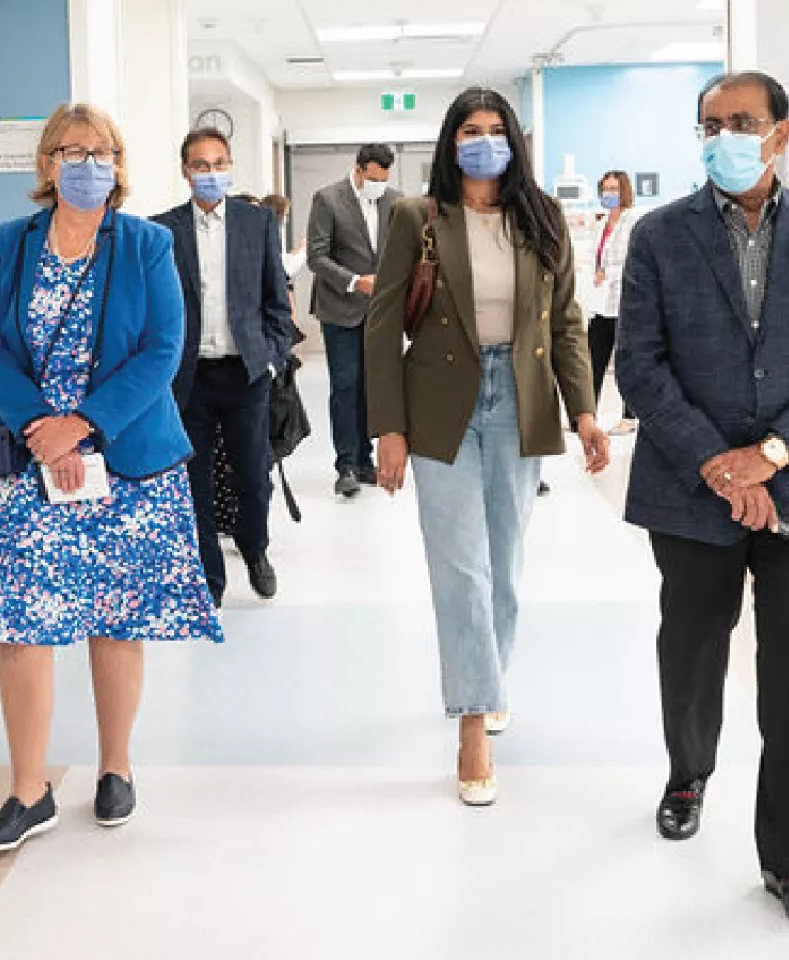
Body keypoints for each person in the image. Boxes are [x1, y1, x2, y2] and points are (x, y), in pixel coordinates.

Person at [615, 72, 789, 934]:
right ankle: (688, 773)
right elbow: (639, 366)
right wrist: (721, 469)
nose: (725, 135)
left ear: (779, 133)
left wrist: (766, 458)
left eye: (742, 122)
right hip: (690, 492)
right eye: (710, 124)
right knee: (691, 648)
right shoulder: (658, 237)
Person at [0, 103, 225, 855]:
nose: (89, 162)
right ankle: (28, 790)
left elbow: (161, 348)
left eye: (103, 150)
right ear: (46, 164)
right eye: (72, 150)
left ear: (120, 163)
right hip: (32, 463)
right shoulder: (10, 245)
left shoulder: (146, 244)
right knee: (21, 623)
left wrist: (81, 425)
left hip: (126, 462)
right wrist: (38, 429)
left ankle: (115, 767)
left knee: (115, 619)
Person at [367, 88, 610, 807]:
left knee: (504, 565)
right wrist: (388, 428)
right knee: (461, 568)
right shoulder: (420, 218)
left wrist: (587, 412)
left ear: (514, 141)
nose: (482, 142)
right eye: (470, 130)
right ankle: (472, 722)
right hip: (440, 402)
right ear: (451, 141)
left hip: (520, 399)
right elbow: (383, 328)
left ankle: (489, 676)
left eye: (495, 130)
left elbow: (565, 321)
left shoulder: (542, 217)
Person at [152, 128, 293, 606]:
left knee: (253, 473)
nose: (211, 173)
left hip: (245, 370)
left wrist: (272, 356)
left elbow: (276, 298)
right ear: (185, 172)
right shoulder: (163, 230)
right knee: (195, 480)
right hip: (187, 375)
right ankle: (209, 575)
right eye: (201, 165)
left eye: (219, 163)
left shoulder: (257, 223)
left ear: (230, 166)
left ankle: (255, 550)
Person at [308, 144, 403, 498]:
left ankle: (366, 460)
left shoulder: (395, 201)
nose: (379, 185)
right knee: (346, 385)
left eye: (384, 179)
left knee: (373, 386)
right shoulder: (328, 199)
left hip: (381, 311)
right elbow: (317, 257)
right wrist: (354, 281)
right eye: (374, 178)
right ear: (359, 169)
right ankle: (346, 463)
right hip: (340, 307)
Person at [587, 170, 640, 436]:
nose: (609, 194)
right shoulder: (603, 222)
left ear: (625, 191)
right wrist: (599, 273)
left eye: (614, 189)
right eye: (605, 189)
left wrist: (607, 274)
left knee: (625, 362)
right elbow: (597, 259)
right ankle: (586, 415)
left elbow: (635, 261)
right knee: (593, 358)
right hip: (601, 302)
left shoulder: (633, 220)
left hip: (625, 302)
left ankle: (629, 417)